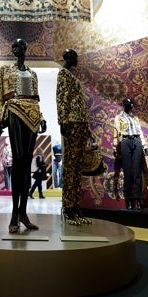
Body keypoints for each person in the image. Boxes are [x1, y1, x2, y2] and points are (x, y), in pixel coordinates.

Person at [0, 38, 46, 233]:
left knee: (26, 161)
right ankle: (14, 214)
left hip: (33, 114)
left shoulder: (33, 74)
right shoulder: (5, 71)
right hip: (14, 110)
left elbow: (36, 98)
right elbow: (0, 97)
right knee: (17, 159)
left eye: (21, 46)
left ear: (25, 49)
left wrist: (41, 117)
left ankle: (23, 213)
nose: (17, 48)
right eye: (15, 46)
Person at [57, 49, 92, 225]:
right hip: (71, 122)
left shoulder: (71, 75)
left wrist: (87, 128)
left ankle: (76, 204)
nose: (77, 59)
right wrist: (63, 121)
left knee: (77, 167)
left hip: (81, 123)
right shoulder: (63, 74)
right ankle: (68, 206)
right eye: (75, 57)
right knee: (70, 165)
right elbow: (62, 98)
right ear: (69, 58)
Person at [113, 97, 148, 211]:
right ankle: (128, 200)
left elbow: (140, 132)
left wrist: (144, 145)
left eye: (132, 103)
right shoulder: (119, 117)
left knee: (137, 171)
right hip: (126, 141)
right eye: (129, 103)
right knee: (127, 172)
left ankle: (138, 199)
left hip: (136, 140)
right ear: (125, 104)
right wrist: (114, 146)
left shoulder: (135, 118)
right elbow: (116, 132)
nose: (131, 105)